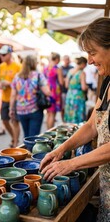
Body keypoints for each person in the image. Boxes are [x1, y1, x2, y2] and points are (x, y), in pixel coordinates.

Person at [40, 17, 110, 222]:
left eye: (93, 52)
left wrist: (71, 164)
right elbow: (91, 125)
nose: (89, 60)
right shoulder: (107, 82)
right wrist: (61, 149)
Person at [9, 55, 51, 137]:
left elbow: (13, 95)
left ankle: (27, 149)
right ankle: (30, 149)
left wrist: (11, 109)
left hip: (21, 110)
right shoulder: (38, 75)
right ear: (34, 64)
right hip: (35, 109)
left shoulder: (17, 76)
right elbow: (47, 92)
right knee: (33, 137)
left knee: (27, 136)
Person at [0, 45, 22, 147]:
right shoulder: (2, 66)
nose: (1, 56)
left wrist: (9, 83)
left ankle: (16, 143)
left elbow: (21, 84)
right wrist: (1, 83)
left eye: (3, 54)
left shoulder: (18, 66)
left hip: (15, 98)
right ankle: (13, 137)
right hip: (5, 97)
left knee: (15, 121)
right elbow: (0, 79)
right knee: (4, 120)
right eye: (0, 54)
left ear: (10, 54)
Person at [64, 56, 88, 124]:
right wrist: (87, 87)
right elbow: (83, 87)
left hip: (69, 96)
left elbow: (66, 85)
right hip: (78, 97)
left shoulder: (70, 71)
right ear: (83, 64)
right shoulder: (82, 73)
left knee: (70, 115)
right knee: (78, 117)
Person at [44, 52, 64, 129]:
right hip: (55, 91)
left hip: (46, 90)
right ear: (57, 59)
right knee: (52, 113)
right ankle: (49, 132)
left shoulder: (46, 67)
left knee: (48, 113)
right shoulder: (57, 68)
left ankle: (47, 130)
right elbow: (61, 82)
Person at [61, 55, 73, 120]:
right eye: (66, 60)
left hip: (70, 90)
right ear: (63, 60)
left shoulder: (72, 68)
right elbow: (59, 79)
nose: (67, 61)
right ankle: (63, 120)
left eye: (68, 59)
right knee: (63, 107)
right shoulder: (61, 68)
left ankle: (68, 119)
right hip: (63, 90)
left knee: (69, 107)